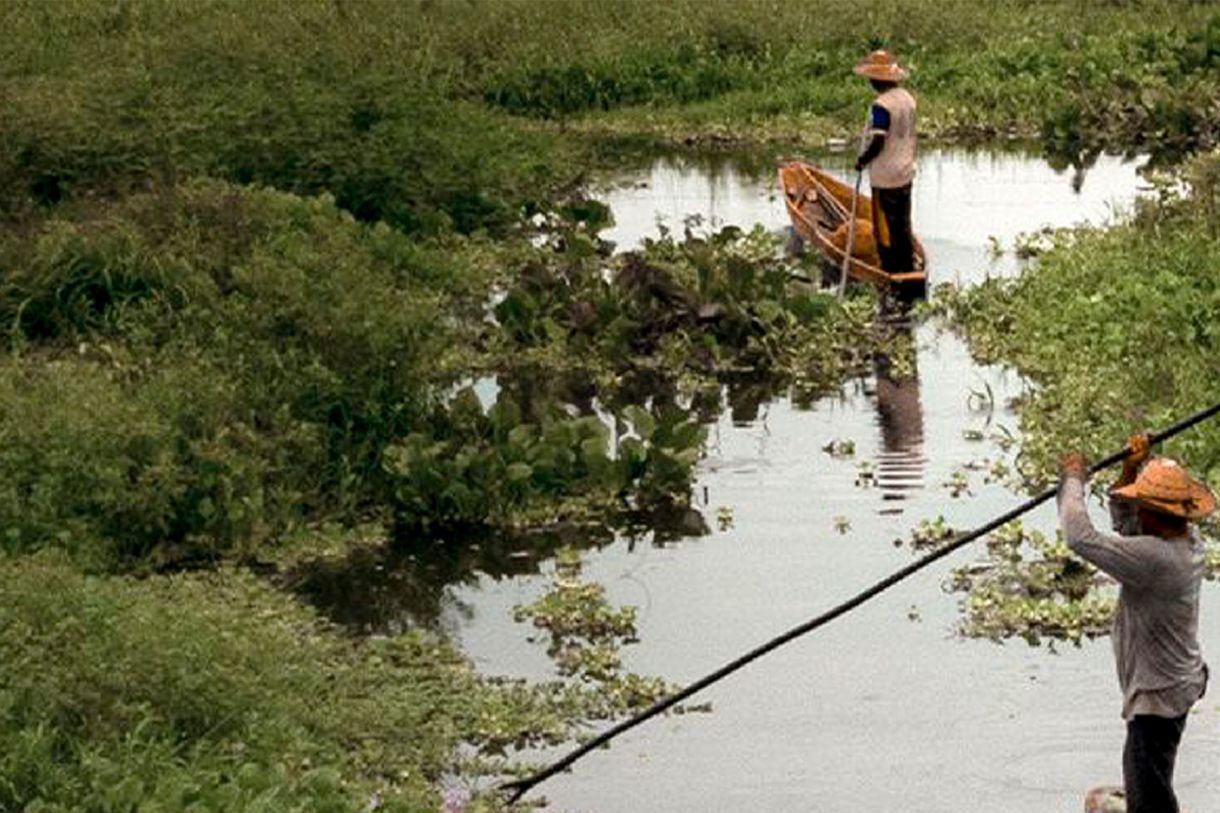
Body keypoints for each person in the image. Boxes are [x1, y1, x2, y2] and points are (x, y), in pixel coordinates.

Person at [1058, 434, 1216, 813]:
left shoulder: (1156, 560)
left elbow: (1079, 537)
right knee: (1150, 782)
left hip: (1158, 697)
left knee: (1149, 797)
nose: (1137, 510)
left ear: (1155, 514)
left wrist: (1073, 480)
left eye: (1143, 504)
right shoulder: (1184, 539)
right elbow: (1129, 523)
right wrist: (1130, 468)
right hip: (1177, 682)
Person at [852, 49, 917, 275]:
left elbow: (879, 140)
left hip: (885, 176)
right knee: (902, 222)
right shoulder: (908, 99)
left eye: (871, 78)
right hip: (906, 172)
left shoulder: (881, 106)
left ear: (877, 80)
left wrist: (862, 160)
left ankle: (891, 269)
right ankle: (907, 264)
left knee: (885, 228)